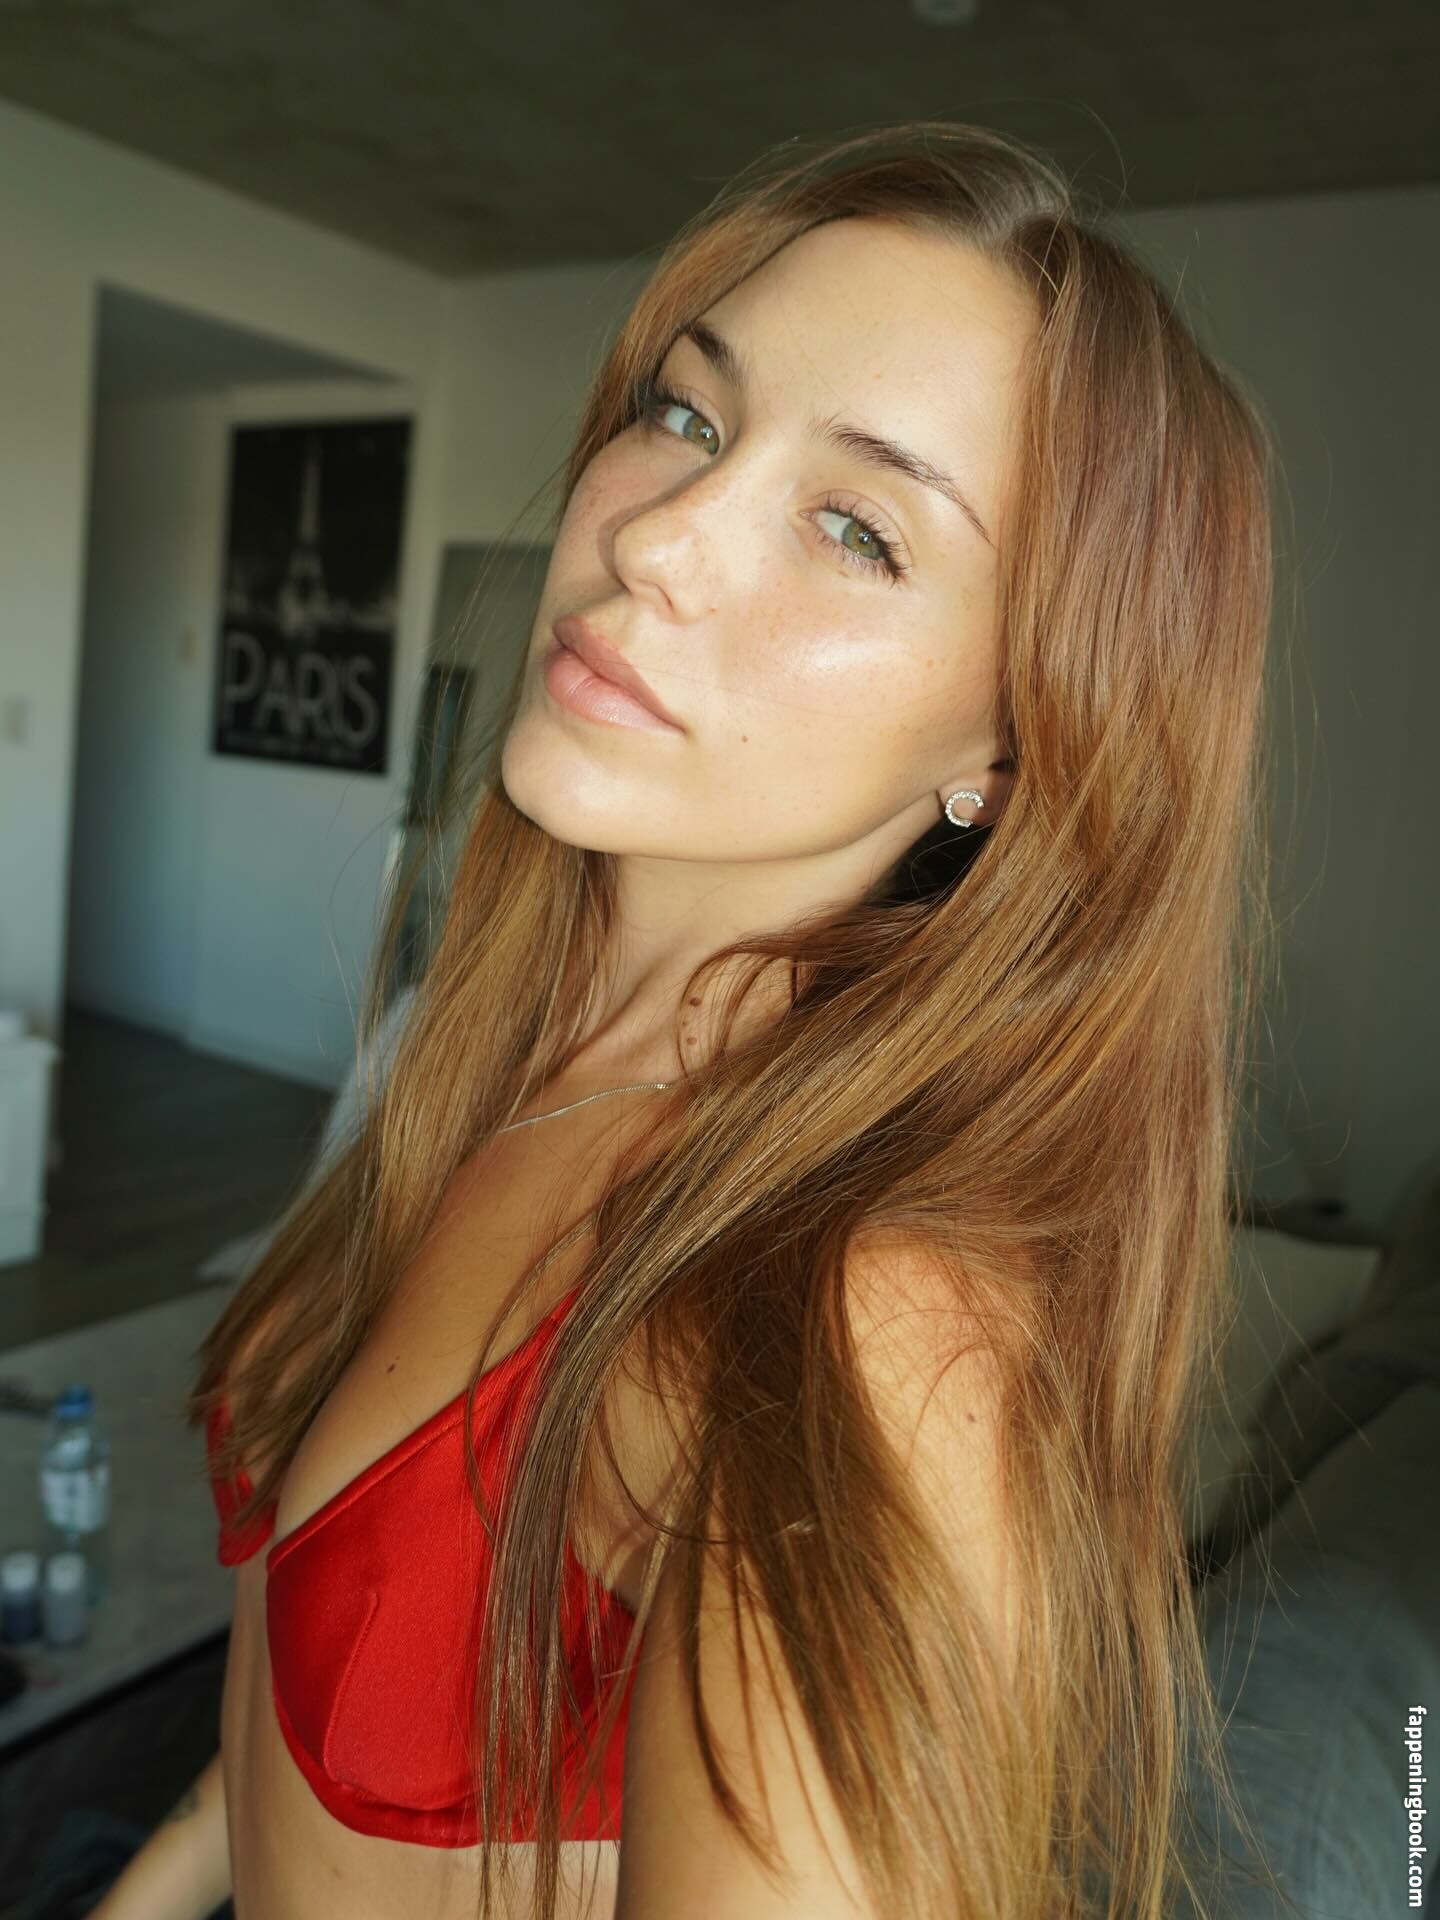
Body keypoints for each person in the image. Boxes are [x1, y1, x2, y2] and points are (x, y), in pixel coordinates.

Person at [94, 120, 1283, 1920]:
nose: (659, 534)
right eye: (688, 413)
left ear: (1018, 737)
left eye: (856, 528)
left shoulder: (860, 1323)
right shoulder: (486, 1058)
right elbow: (267, 1725)